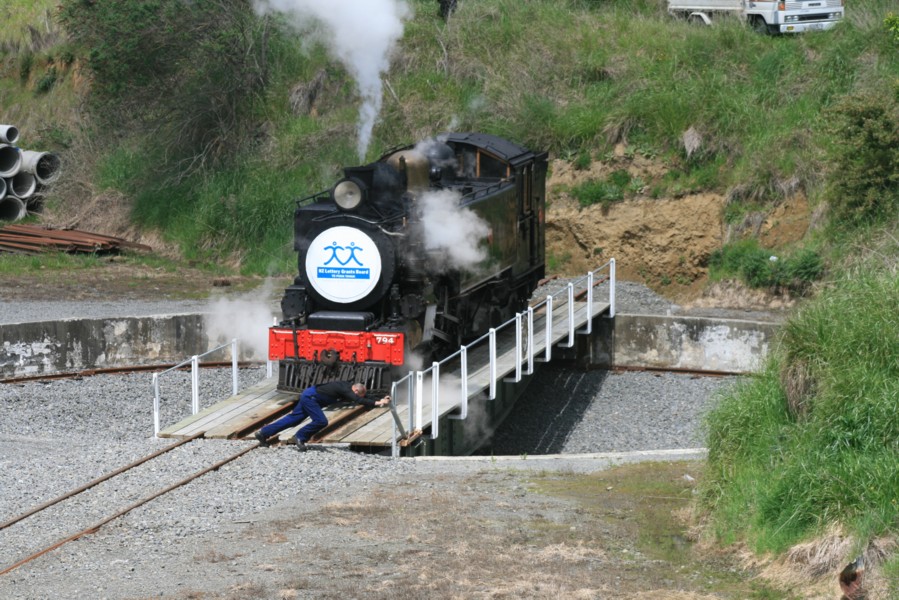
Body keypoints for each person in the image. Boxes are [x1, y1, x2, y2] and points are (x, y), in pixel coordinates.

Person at [254, 381, 390, 452]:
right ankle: (300, 437)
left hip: (310, 395)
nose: (357, 395)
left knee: (294, 419)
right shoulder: (345, 390)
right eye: (357, 393)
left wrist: (382, 398)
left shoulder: (350, 388)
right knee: (321, 421)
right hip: (311, 398)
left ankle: (263, 433)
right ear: (355, 390)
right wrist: (377, 403)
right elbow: (359, 400)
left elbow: (364, 396)